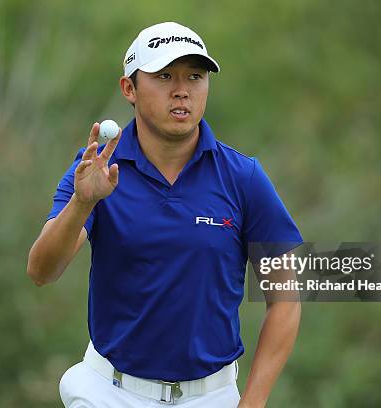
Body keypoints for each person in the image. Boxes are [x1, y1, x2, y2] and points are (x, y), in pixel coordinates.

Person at [27, 21, 303, 408]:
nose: (182, 90)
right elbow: (42, 271)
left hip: (212, 397)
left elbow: (286, 299)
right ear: (130, 89)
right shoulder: (97, 169)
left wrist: (253, 402)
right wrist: (83, 202)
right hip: (109, 393)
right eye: (164, 76)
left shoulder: (243, 178)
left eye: (195, 76)